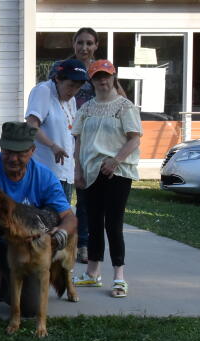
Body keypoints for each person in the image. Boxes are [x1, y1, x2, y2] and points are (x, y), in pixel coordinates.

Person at [0, 122, 75, 314]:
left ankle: (5, 281)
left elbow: (69, 218)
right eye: (7, 151)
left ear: (32, 150)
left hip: (26, 250)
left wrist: (58, 236)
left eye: (20, 153)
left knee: (30, 309)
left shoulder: (44, 176)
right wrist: (4, 224)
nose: (13, 158)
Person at [71, 60, 143, 298]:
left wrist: (116, 160)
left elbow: (134, 139)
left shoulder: (125, 107)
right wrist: (78, 171)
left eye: (107, 76)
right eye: (97, 77)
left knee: (113, 223)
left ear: (113, 77)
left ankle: (119, 276)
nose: (103, 81)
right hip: (91, 172)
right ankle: (92, 273)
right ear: (91, 81)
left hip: (117, 173)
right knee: (92, 222)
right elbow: (79, 141)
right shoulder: (86, 109)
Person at [48, 27, 120, 262]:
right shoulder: (61, 68)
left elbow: (120, 99)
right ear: (73, 44)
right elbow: (50, 95)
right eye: (80, 42)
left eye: (89, 43)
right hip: (66, 137)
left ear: (96, 45)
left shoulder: (101, 70)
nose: (84, 47)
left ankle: (83, 244)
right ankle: (60, 240)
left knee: (87, 197)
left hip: (92, 140)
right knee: (63, 194)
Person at [26, 59, 88, 207]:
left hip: (65, 172)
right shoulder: (43, 90)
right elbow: (31, 125)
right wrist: (52, 145)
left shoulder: (71, 100)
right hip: (44, 170)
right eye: (70, 85)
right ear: (58, 79)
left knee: (60, 220)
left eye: (78, 87)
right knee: (43, 220)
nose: (73, 91)